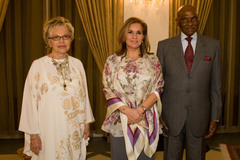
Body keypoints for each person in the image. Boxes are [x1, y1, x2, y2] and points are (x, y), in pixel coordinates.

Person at [19, 16, 94, 160]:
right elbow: (29, 102)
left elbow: (84, 96)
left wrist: (86, 123)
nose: (61, 41)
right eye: (56, 37)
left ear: (71, 39)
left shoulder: (77, 64)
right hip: (48, 130)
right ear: (48, 41)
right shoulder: (38, 66)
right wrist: (33, 135)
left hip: (74, 127)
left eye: (65, 36)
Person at [157, 5, 222, 160]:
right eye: (184, 19)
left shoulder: (213, 46)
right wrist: (158, 115)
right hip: (171, 117)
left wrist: (215, 116)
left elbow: (216, 85)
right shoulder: (164, 46)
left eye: (193, 19)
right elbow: (157, 85)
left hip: (200, 115)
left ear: (197, 20)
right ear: (177, 22)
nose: (190, 23)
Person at [101, 17, 164, 160]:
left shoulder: (153, 61)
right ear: (124, 35)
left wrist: (140, 110)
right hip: (120, 120)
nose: (134, 37)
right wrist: (128, 111)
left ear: (144, 37)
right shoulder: (112, 61)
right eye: (130, 32)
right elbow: (108, 89)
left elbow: (158, 87)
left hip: (145, 119)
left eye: (139, 33)